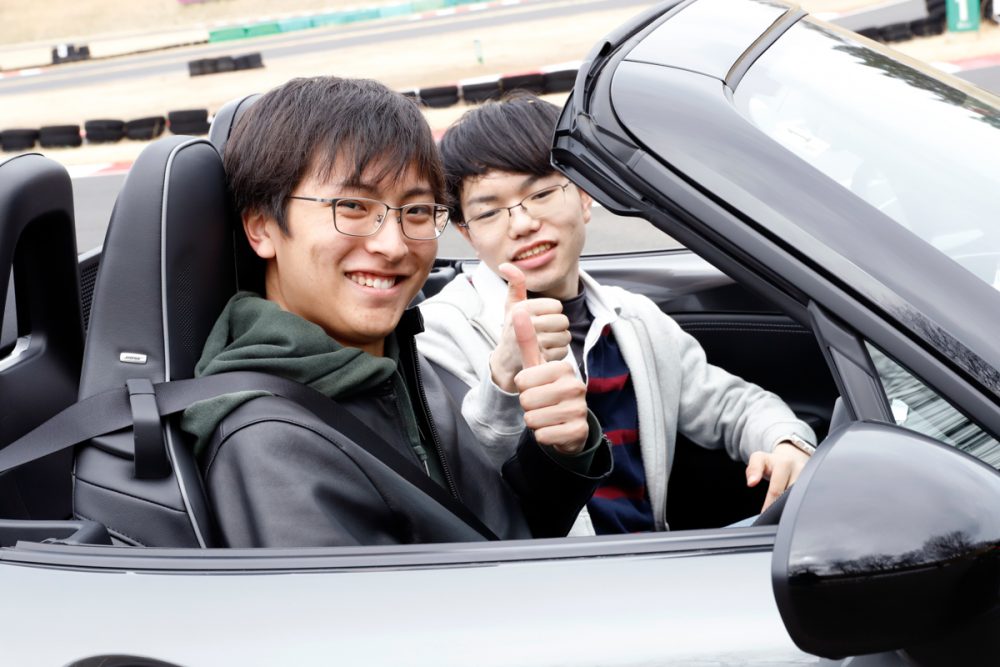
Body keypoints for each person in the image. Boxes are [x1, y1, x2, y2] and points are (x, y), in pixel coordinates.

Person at [180, 77, 611, 547]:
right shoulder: (271, 444)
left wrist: (559, 453)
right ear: (262, 227)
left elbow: (490, 533)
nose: (393, 245)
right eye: (352, 206)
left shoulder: (397, 360)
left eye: (418, 210)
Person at [417, 93, 816, 535]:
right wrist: (503, 380)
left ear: (584, 195)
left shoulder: (633, 318)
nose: (522, 224)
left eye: (542, 193)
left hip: (648, 556)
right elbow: (462, 483)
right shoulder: (437, 332)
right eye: (490, 212)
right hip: (538, 571)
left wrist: (785, 441)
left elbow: (730, 404)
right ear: (467, 234)